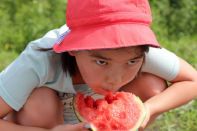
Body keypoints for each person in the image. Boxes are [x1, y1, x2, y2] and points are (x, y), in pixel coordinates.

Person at [0, 0, 197, 131]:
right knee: (39, 99)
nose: (115, 79)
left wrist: (148, 109)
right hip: (44, 124)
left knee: (152, 86)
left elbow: (193, 80)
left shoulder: (137, 48)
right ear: (74, 48)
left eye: (131, 62)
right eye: (101, 62)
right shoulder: (39, 61)